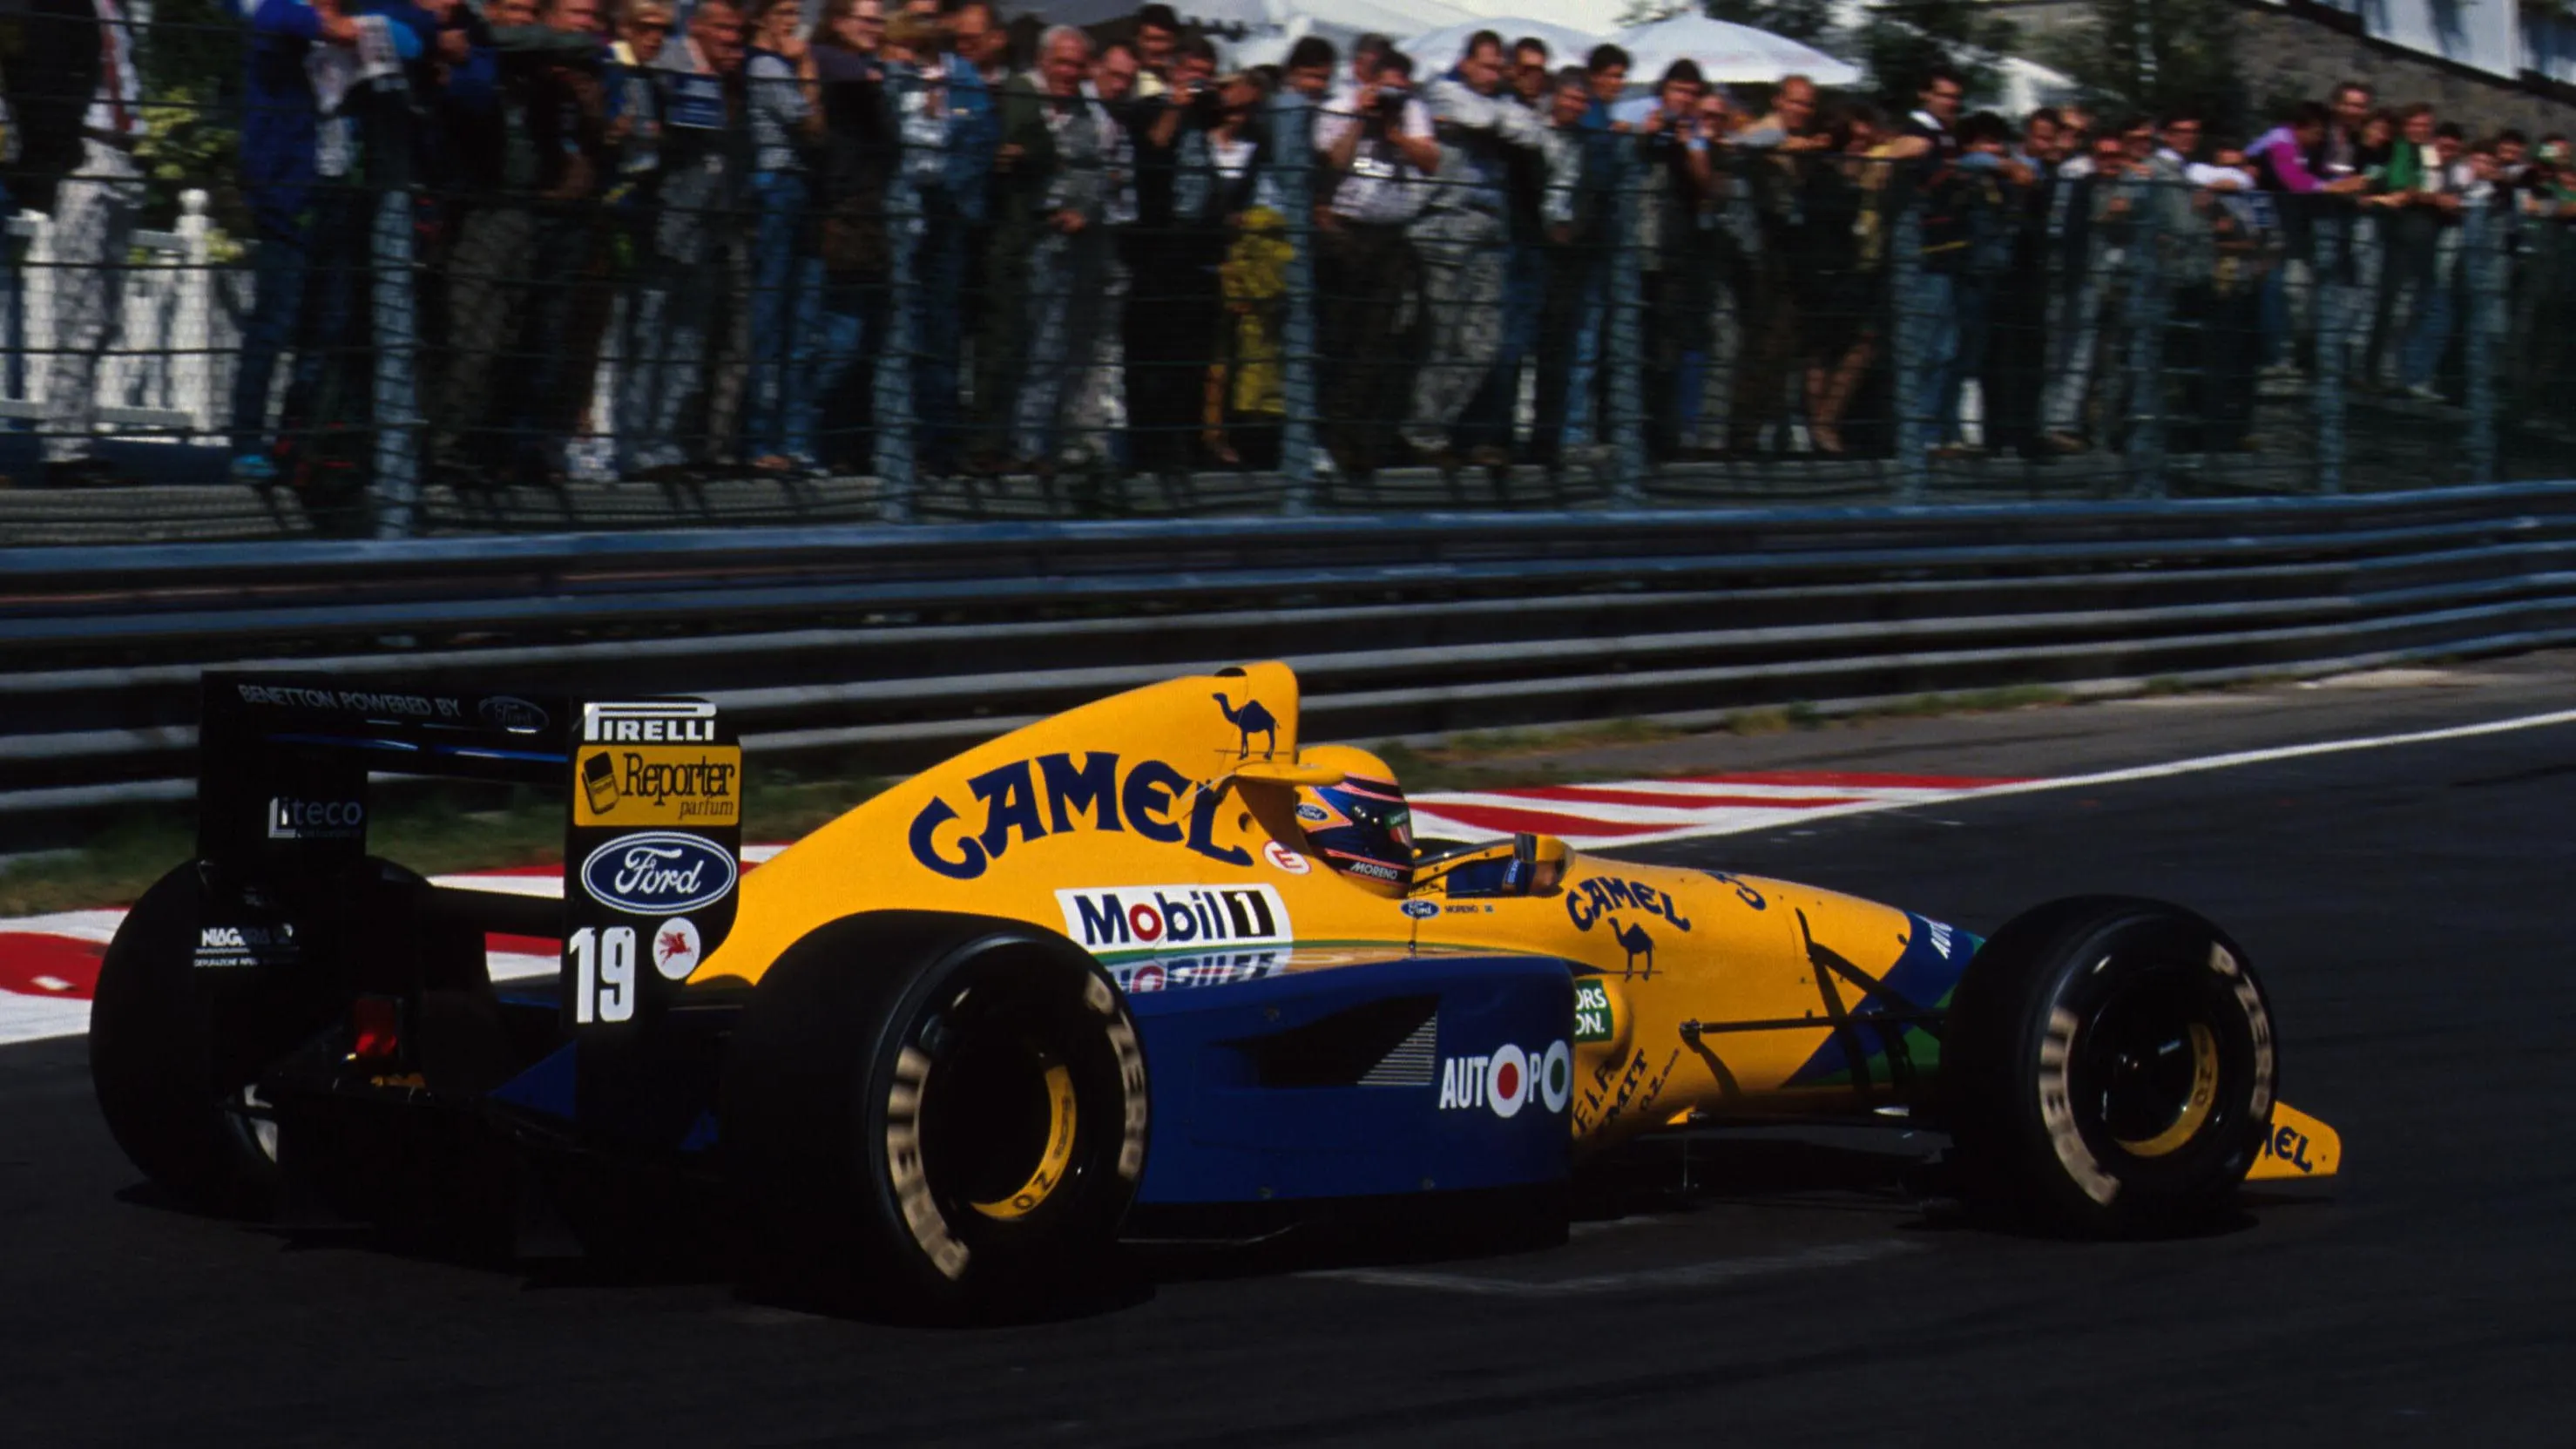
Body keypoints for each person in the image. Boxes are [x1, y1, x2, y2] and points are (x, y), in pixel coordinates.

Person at [231, 0, 365, 485]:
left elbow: (409, 32)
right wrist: (326, 26)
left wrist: (355, 30)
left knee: (326, 328)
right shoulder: (278, 19)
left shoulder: (356, 22)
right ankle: (247, 443)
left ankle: (297, 442)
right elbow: (262, 14)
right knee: (274, 320)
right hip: (288, 193)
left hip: (338, 190)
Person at [1401, 31, 1543, 480]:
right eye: (1486, 66)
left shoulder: (1501, 102)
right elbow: (1476, 116)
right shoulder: (1440, 89)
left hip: (1489, 238)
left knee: (1484, 345)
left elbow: (1532, 132)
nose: (1494, 74)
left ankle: (1430, 428)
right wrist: (1494, 118)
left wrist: (1495, 116)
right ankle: (1422, 435)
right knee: (1440, 340)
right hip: (1443, 234)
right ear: (1465, 63)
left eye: (1499, 68)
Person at [979, 25, 1113, 475]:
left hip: (1063, 244)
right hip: (1020, 236)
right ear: (1043, 62)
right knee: (1010, 343)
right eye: (1062, 63)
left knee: (1050, 346)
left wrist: (1084, 208)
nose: (1069, 73)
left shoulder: (1086, 116)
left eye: (1077, 65)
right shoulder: (1020, 99)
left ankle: (1031, 444)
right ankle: (997, 442)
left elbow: (1101, 172)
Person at [1314, 42, 1437, 482]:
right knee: (1338, 337)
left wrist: (1396, 131)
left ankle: (1357, 442)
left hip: (1389, 238)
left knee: (1376, 343)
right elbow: (1333, 160)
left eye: (1399, 91)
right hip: (1346, 234)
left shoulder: (1410, 112)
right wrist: (1362, 119)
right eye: (1386, 89)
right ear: (1369, 82)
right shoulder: (1340, 107)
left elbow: (1431, 161)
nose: (1392, 98)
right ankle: (1326, 440)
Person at [38, 0, 147, 486]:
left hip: (122, 154)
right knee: (79, 313)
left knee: (103, 318)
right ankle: (64, 449)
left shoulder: (123, 12)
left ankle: (80, 440)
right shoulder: (64, 8)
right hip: (87, 150)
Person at [808, 0, 895, 471]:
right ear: (840, 21)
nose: (876, 29)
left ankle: (844, 448)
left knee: (863, 344)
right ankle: (811, 442)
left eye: (880, 21)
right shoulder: (829, 60)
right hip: (837, 217)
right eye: (867, 20)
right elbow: (845, 71)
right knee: (837, 342)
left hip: (870, 221)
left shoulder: (866, 69)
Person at [740, 0, 823, 473]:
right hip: (778, 186)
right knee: (772, 316)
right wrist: (808, 66)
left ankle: (793, 439)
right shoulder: (770, 65)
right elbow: (810, 125)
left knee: (798, 319)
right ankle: (762, 439)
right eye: (785, 11)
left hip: (794, 188)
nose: (793, 21)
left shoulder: (774, 64)